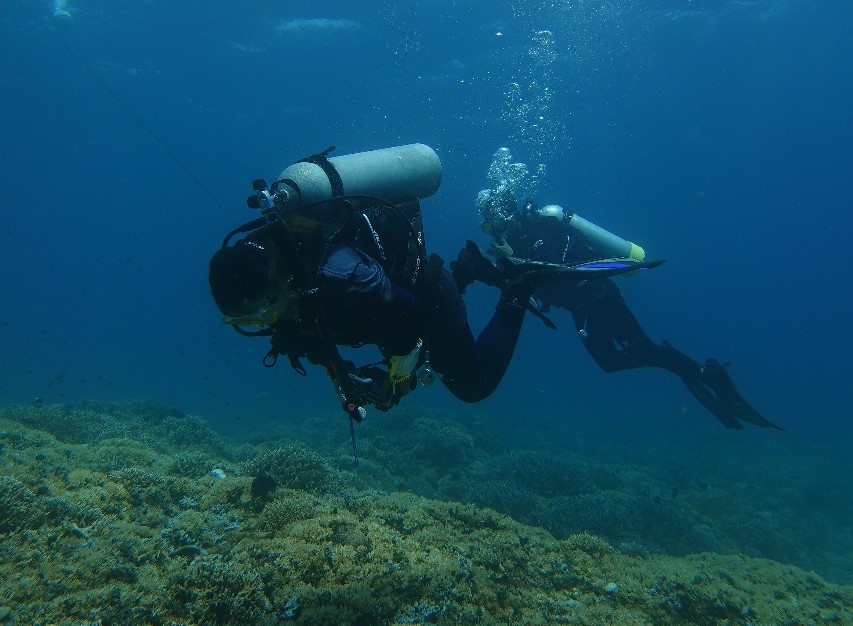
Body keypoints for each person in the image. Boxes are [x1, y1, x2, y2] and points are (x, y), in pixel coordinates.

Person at [208, 145, 546, 426]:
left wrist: (398, 378)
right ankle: (467, 269)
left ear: (275, 282)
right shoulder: (277, 261)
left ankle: (518, 288)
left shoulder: (342, 276)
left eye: (261, 313)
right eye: (248, 320)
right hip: (385, 303)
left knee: (475, 386)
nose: (263, 322)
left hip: (426, 299)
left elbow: (410, 312)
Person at [452, 191, 780, 430]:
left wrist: (514, 260)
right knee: (614, 361)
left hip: (599, 297)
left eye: (494, 224)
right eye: (487, 228)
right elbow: (532, 291)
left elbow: (559, 271)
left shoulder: (540, 232)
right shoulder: (511, 248)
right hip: (580, 307)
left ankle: (705, 374)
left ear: (508, 216)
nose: (493, 232)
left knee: (638, 352)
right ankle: (679, 363)